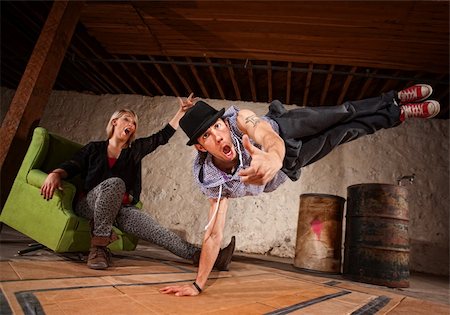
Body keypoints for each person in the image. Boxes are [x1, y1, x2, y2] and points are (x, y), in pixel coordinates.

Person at [159, 84, 440, 296]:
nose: (218, 135)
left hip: (285, 130)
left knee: (342, 113)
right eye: (207, 135)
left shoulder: (239, 120)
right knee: (347, 132)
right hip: (292, 162)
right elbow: (213, 234)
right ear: (199, 146)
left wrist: (273, 156)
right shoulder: (213, 179)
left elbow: (267, 136)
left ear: (224, 122)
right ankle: (399, 113)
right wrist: (197, 285)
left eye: (217, 126)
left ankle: (393, 98)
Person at [40, 94, 235, 270]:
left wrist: (180, 113)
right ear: (114, 122)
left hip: (122, 209)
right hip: (91, 203)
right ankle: (98, 248)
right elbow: (74, 164)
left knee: (159, 232)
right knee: (115, 183)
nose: (132, 125)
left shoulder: (134, 150)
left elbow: (161, 137)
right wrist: (56, 173)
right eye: (127, 120)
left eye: (134, 123)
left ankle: (208, 258)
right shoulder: (94, 149)